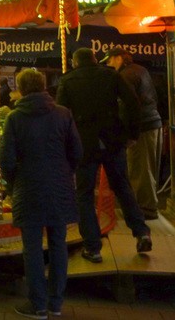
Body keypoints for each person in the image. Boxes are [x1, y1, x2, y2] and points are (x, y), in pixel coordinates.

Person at [56, 48, 152, 262]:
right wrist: (132, 133)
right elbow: (133, 102)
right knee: (123, 187)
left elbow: (61, 114)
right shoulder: (111, 75)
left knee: (84, 194)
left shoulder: (68, 80)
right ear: (95, 60)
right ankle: (141, 232)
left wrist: (64, 143)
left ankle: (93, 247)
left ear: (74, 63)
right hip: (113, 140)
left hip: (84, 144)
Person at [0, 69, 82, 319]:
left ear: (21, 89)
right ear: (44, 86)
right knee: (58, 244)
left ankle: (37, 304)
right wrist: (64, 172)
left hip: (28, 186)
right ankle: (56, 303)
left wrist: (14, 183)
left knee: (32, 248)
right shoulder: (63, 114)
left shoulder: (15, 118)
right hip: (59, 186)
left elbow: (6, 159)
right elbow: (77, 152)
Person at [103, 47, 163, 220]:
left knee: (139, 169)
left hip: (142, 127)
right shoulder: (141, 70)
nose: (109, 64)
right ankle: (148, 205)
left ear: (119, 58)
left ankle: (145, 209)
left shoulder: (126, 75)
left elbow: (128, 105)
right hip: (153, 122)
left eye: (109, 60)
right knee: (148, 168)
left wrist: (130, 133)